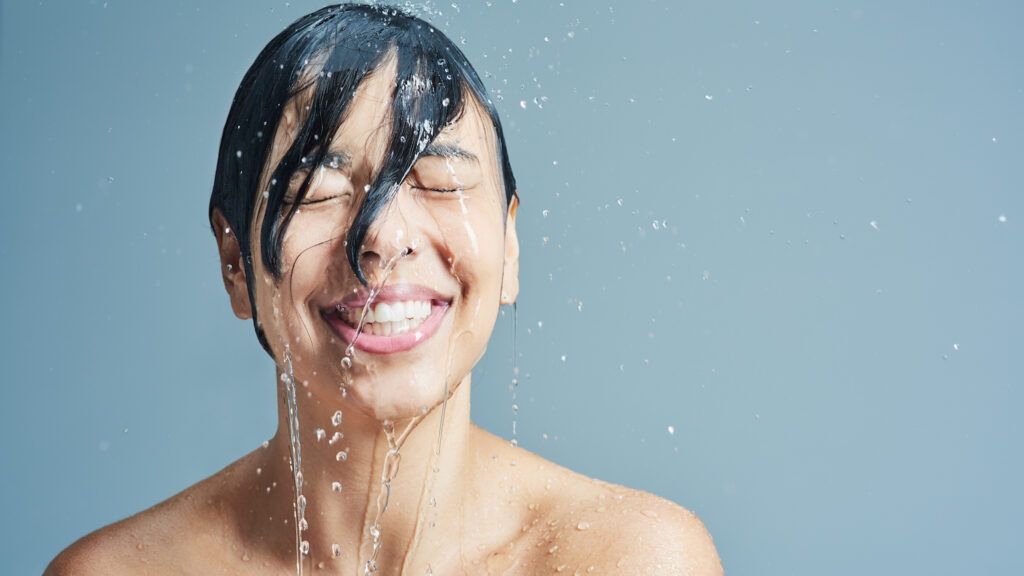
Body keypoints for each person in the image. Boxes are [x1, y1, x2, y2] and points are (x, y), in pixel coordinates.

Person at [46, 4, 722, 574]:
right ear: (235, 263)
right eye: (319, 187)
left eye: (440, 180)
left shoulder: (627, 559)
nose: (382, 235)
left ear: (510, 247)